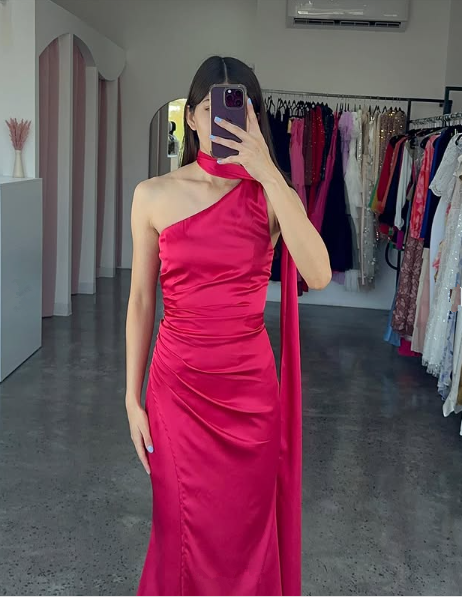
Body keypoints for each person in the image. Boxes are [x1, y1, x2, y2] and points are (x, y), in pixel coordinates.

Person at [125, 55, 331, 596]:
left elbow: (319, 274)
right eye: (210, 108)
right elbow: (141, 300)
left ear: (254, 118)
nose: (222, 119)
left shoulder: (271, 197)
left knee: (247, 534)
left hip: (249, 396)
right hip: (176, 391)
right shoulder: (153, 195)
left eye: (239, 109)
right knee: (178, 529)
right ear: (192, 117)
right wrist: (130, 397)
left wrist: (269, 172)